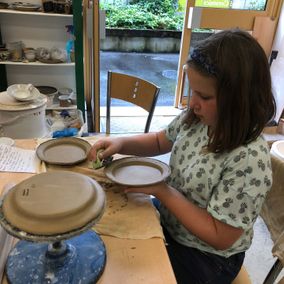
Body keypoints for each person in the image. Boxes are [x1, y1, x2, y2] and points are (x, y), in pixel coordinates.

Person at [88, 29, 276, 283]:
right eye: (192, 91)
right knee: (107, 221)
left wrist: (163, 190)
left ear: (239, 100)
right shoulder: (198, 119)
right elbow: (158, 141)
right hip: (172, 221)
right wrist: (121, 142)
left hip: (208, 257)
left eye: (204, 96)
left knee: (127, 271)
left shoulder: (249, 160)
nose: (192, 102)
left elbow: (221, 236)